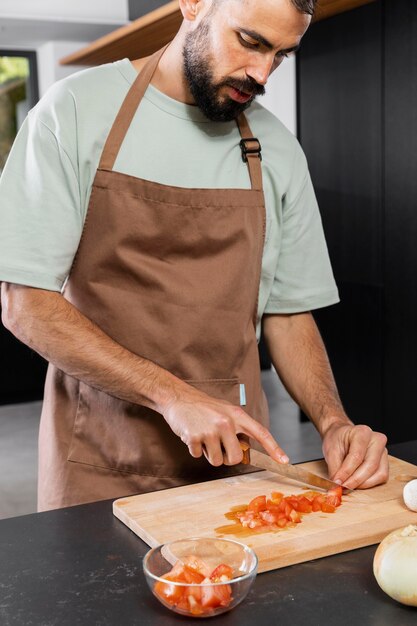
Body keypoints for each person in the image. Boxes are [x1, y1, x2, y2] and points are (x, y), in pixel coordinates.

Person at [0, 0, 388, 511]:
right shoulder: (73, 111)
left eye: (282, 55)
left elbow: (289, 316)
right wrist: (173, 395)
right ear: (193, 4)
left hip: (235, 464)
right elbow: (26, 304)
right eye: (250, 42)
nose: (262, 73)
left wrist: (334, 422)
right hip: (99, 459)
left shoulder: (277, 150)